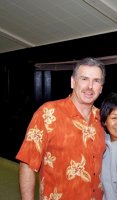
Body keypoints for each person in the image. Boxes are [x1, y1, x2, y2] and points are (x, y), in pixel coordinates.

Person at [16, 57, 106, 200]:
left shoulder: (103, 119)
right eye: (84, 79)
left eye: (96, 81)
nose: (90, 86)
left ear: (101, 87)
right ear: (73, 82)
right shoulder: (48, 113)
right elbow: (27, 164)